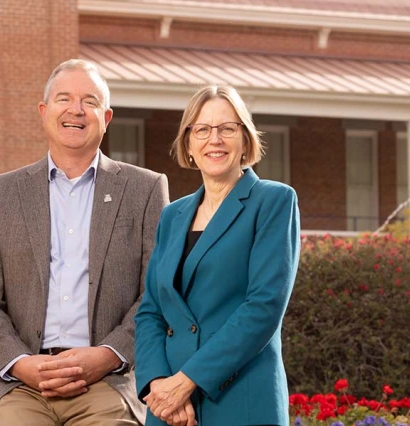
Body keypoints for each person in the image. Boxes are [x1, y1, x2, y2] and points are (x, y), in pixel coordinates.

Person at [0, 59, 169, 426]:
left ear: (105, 118)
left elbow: (156, 293)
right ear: (44, 112)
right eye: (64, 99)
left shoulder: (145, 190)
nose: (76, 110)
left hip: (109, 382)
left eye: (89, 101)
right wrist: (22, 363)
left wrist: (107, 355)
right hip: (20, 385)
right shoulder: (1, 193)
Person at [134, 84, 300, 426]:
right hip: (170, 409)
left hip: (241, 399)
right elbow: (151, 310)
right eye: (203, 129)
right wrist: (159, 384)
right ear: (189, 143)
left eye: (227, 128)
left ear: (244, 139)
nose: (215, 139)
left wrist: (186, 381)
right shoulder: (173, 215)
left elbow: (264, 306)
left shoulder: (273, 201)